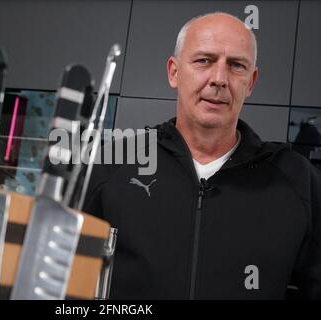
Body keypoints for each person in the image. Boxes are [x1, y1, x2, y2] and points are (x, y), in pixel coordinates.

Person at [83, 12, 321, 299]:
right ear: (174, 72)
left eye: (236, 66)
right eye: (204, 61)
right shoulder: (112, 165)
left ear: (251, 81)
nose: (219, 79)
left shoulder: (297, 179)